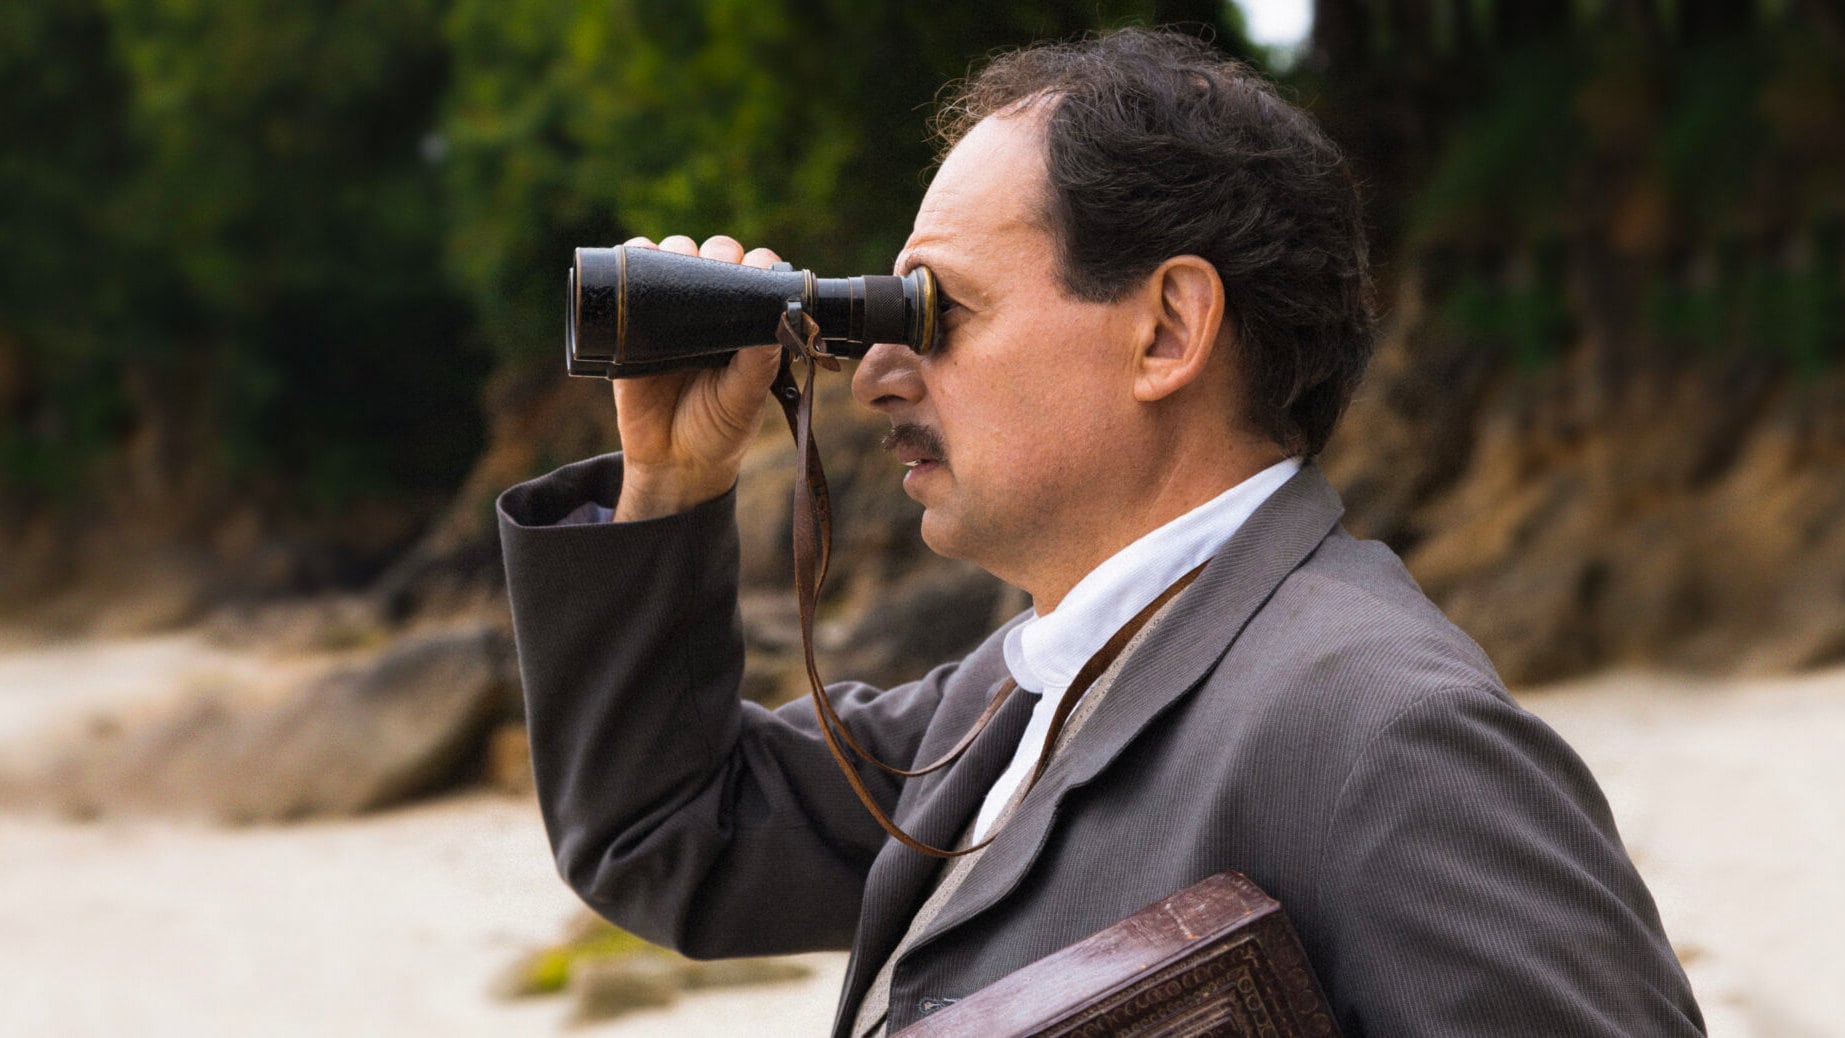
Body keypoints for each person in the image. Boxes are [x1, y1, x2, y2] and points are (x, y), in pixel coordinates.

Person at [498, 28, 1704, 1037]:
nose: (876, 377)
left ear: (1168, 330)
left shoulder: (1384, 736)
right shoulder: (1036, 689)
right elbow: (672, 837)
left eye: (938, 310)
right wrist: (668, 479)